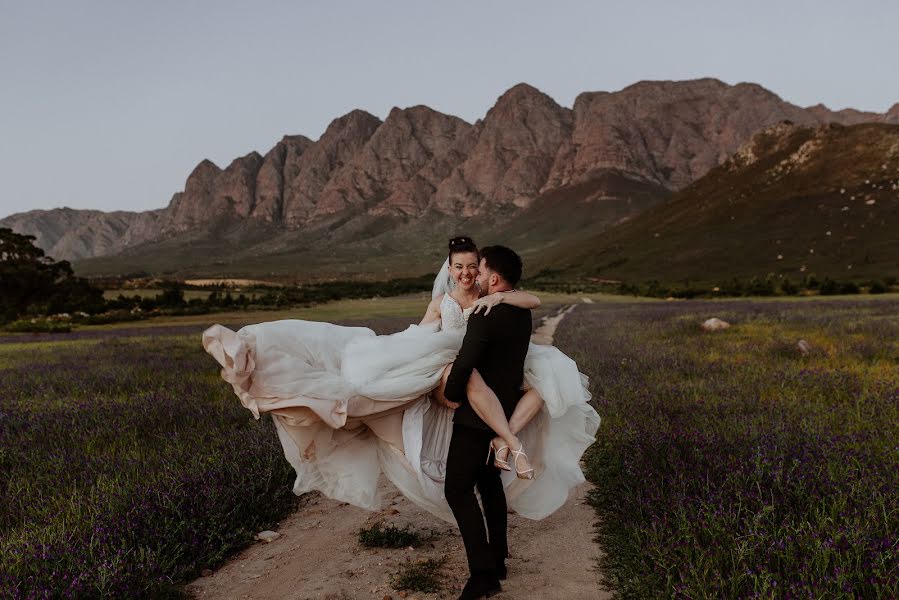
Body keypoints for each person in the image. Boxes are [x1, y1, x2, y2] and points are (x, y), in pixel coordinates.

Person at [201, 238, 599, 529]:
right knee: (367, 389)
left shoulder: (487, 293)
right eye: (457, 267)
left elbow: (530, 299)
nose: (464, 274)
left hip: (476, 361)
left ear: (482, 271)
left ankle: (506, 440)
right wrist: (401, 349)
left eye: (471, 267)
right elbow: (424, 333)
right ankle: (291, 388)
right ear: (448, 269)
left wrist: (500, 300)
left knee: (546, 382)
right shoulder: (440, 303)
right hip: (446, 362)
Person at [442, 245, 531, 598]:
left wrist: (449, 393)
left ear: (493, 278)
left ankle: (483, 575)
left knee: (456, 488)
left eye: (479, 272)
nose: (474, 277)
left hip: (477, 416)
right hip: (506, 408)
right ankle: (498, 559)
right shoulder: (520, 313)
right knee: (489, 483)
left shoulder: (483, 313)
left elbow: (466, 362)